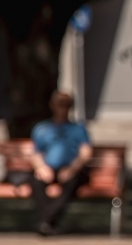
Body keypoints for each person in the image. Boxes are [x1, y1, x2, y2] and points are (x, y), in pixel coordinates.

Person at [21, 91, 92, 235]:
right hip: (48, 168)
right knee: (36, 182)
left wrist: (72, 169)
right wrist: (41, 167)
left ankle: (45, 222)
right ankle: (47, 223)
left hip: (71, 169)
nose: (62, 108)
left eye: (66, 105)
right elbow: (36, 153)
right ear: (52, 105)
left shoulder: (78, 129)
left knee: (71, 184)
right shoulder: (42, 128)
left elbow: (85, 153)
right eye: (59, 104)